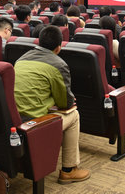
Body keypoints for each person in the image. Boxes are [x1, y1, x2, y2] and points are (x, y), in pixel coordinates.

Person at [13, 25, 90, 184]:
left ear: (39, 42)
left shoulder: (21, 59)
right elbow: (65, 103)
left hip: (14, 120)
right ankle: (69, 170)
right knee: (74, 115)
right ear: (58, 47)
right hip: (33, 123)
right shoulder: (58, 64)